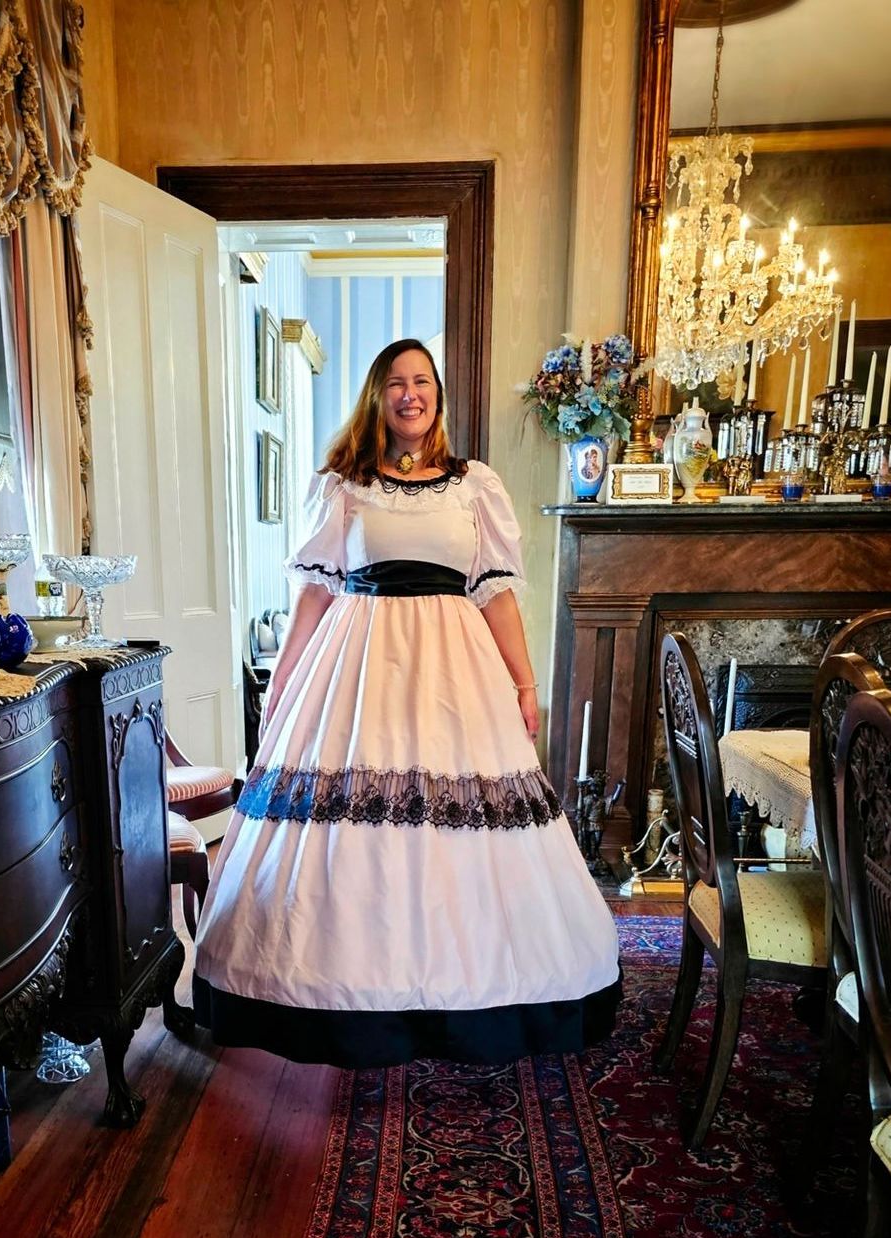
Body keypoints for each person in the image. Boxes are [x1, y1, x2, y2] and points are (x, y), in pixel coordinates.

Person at [192, 338, 620, 1067]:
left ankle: (471, 997)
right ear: (377, 396)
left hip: (458, 677)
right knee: (357, 827)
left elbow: (496, 595)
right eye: (396, 382)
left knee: (461, 824)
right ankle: (347, 1000)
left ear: (437, 395)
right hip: (358, 676)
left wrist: (524, 684)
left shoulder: (473, 486)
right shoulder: (344, 485)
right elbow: (314, 595)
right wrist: (282, 683)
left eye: (422, 381)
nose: (410, 393)